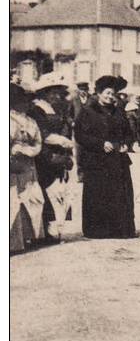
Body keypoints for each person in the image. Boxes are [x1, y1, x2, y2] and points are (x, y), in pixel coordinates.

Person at [74, 75, 137, 239]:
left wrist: (125, 143)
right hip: (96, 161)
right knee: (98, 195)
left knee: (119, 194)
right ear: (99, 93)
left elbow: (129, 133)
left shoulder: (119, 111)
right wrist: (100, 144)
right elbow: (80, 136)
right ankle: (97, 230)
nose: (110, 97)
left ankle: (120, 229)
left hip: (118, 160)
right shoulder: (88, 111)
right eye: (107, 93)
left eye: (113, 94)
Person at [28, 73, 75, 243]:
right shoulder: (37, 109)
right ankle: (41, 232)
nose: (57, 96)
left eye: (59, 92)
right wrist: (64, 142)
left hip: (58, 154)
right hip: (44, 154)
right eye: (53, 92)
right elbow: (42, 134)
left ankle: (52, 230)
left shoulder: (57, 109)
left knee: (57, 192)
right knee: (44, 191)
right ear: (44, 93)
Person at [11, 82, 44, 253]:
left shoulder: (31, 121)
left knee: (31, 199)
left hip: (28, 165)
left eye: (26, 100)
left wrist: (30, 151)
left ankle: (26, 237)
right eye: (20, 100)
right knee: (12, 201)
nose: (24, 103)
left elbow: (38, 141)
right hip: (11, 165)